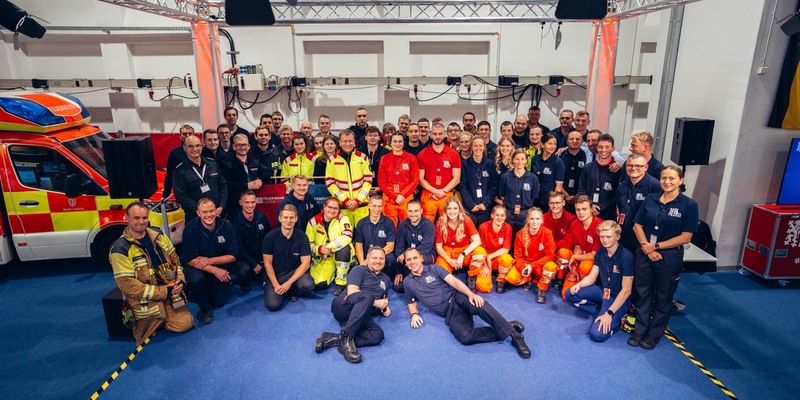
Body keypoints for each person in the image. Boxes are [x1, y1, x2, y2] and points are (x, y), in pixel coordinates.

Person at [402, 247, 531, 359]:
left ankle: (516, 336)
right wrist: (414, 314)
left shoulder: (434, 269)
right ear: (406, 263)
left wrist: (470, 294)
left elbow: (454, 282)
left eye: (415, 258)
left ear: (421, 258)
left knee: (480, 305)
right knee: (465, 337)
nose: (412, 262)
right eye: (409, 260)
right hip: (450, 313)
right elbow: (411, 302)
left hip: (457, 296)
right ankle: (508, 326)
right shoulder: (408, 282)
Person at [629, 166, 698, 350]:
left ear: (681, 181)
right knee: (643, 293)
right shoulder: (651, 199)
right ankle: (640, 329)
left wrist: (657, 246)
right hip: (645, 252)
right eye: (664, 178)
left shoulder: (689, 205)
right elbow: (637, 225)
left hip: (669, 256)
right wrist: (647, 247)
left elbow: (686, 237)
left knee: (663, 296)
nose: (667, 182)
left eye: (672, 178)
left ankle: (654, 334)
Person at [109, 202, 193, 345]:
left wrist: (180, 281)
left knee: (186, 324)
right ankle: (157, 321)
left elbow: (176, 261)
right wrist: (163, 292)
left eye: (144, 217)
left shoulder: (159, 236)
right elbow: (128, 286)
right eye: (136, 218)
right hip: (147, 305)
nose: (141, 222)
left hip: (172, 297)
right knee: (143, 340)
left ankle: (166, 318)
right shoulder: (120, 249)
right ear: (127, 218)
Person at [315, 246, 392, 363]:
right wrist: (376, 302)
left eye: (381, 258)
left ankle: (334, 339)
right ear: (368, 259)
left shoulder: (386, 279)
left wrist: (385, 308)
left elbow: (384, 299)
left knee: (378, 335)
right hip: (344, 306)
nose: (378, 261)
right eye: (374, 258)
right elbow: (352, 292)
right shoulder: (359, 269)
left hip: (361, 315)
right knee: (368, 296)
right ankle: (347, 340)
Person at [566, 220, 634, 342]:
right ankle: (600, 311)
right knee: (570, 293)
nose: (604, 240)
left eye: (608, 236)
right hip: (603, 291)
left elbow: (626, 290)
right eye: (602, 237)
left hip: (618, 297)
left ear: (617, 236)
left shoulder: (627, 257)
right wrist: (579, 284)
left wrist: (609, 313)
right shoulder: (601, 252)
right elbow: (592, 277)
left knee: (597, 334)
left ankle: (615, 318)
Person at [181, 198, 239, 324]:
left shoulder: (226, 226)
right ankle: (205, 310)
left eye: (211, 211)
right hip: (197, 267)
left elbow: (233, 256)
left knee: (219, 302)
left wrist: (210, 261)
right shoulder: (190, 228)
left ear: (216, 211)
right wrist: (214, 270)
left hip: (216, 264)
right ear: (198, 213)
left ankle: (197, 292)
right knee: (197, 280)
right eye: (205, 212)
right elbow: (189, 259)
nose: (209, 215)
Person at [263, 204, 315, 311]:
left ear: (296, 219)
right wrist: (276, 285)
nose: (288, 220)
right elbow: (267, 263)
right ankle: (285, 291)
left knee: (308, 285)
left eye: (291, 217)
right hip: (276, 275)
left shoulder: (302, 237)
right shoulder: (270, 237)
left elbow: (305, 264)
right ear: (280, 218)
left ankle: (292, 289)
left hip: (294, 272)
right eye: (285, 217)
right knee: (273, 305)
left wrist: (288, 283)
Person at [434, 197, 489, 293]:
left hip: (464, 252)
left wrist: (462, 255)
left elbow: (477, 241)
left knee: (480, 252)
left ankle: (471, 276)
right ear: (445, 210)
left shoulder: (466, 220)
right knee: (439, 280)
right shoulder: (440, 222)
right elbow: (439, 248)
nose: (452, 211)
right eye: (449, 208)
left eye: (455, 208)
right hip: (447, 253)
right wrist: (448, 260)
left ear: (459, 209)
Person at [173, 135, 228, 221]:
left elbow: (223, 185)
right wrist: (202, 210)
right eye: (190, 146)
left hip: (217, 213)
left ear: (202, 146)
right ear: (184, 148)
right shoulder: (180, 170)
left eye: (197, 145)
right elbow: (181, 196)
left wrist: (221, 205)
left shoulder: (212, 164)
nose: (195, 149)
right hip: (195, 216)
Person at [306, 197, 354, 295]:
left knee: (344, 249)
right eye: (329, 207)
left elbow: (347, 236)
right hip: (323, 258)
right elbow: (308, 246)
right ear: (324, 207)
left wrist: (328, 248)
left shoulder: (343, 218)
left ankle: (341, 282)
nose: (332, 210)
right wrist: (319, 250)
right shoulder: (313, 222)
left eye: (335, 208)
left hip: (340, 253)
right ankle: (333, 271)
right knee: (319, 285)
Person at [508, 208, 557, 303]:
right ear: (527, 220)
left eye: (537, 219)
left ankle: (541, 288)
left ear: (542, 220)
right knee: (512, 278)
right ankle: (529, 279)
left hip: (540, 265)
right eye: (532, 219)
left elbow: (550, 255)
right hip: (526, 265)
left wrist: (532, 266)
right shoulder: (520, 234)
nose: (535, 222)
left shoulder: (547, 233)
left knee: (551, 267)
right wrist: (522, 268)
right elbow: (518, 255)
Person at [325, 129, 372, 227]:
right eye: (345, 141)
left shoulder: (362, 157)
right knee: (345, 237)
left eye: (350, 141)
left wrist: (357, 201)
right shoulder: (332, 160)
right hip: (343, 207)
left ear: (354, 142)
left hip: (362, 206)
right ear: (340, 143)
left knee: (364, 237)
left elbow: (368, 181)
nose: (348, 144)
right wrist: (346, 201)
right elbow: (330, 184)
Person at [616, 153, 661, 252]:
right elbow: (621, 209)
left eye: (638, 166)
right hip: (624, 238)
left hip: (644, 240)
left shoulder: (655, 186)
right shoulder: (622, 186)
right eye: (630, 165)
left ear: (646, 167)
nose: (633, 168)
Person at [562, 195, 604, 300]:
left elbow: (594, 255)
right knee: (565, 295)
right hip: (582, 257)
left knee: (586, 266)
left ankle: (587, 286)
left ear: (591, 209)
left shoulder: (600, 226)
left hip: (596, 262)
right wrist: (574, 267)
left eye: (584, 209)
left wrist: (576, 257)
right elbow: (577, 245)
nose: (581, 213)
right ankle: (572, 277)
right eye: (578, 210)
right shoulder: (575, 224)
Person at [417, 122, 462, 222]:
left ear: (445, 134)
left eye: (440, 134)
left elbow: (457, 178)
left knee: (450, 223)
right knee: (426, 224)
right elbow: (420, 179)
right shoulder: (422, 154)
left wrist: (443, 191)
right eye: (435, 134)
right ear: (430, 134)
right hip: (428, 194)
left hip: (447, 194)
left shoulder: (453, 153)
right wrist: (435, 191)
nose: (437, 136)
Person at [231, 190, 271, 293]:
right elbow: (238, 248)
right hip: (244, 260)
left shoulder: (261, 217)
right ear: (241, 203)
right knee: (244, 270)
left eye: (253, 202)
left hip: (262, 258)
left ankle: (259, 274)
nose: (250, 205)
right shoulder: (235, 223)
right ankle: (245, 282)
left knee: (269, 278)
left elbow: (269, 239)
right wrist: (253, 264)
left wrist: (265, 259)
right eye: (247, 202)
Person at [392, 200, 436, 293]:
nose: (413, 214)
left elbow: (425, 248)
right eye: (410, 211)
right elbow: (399, 247)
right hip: (407, 260)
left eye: (416, 211)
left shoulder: (428, 225)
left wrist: (406, 255)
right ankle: (414, 283)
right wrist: (398, 271)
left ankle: (423, 282)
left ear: (421, 211)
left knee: (418, 259)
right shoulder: (403, 225)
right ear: (407, 211)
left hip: (426, 256)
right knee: (398, 287)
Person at [220, 133, 268, 217]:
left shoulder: (254, 161)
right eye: (239, 145)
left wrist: (260, 179)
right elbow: (227, 184)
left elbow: (268, 171)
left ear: (249, 146)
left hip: (252, 204)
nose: (242, 148)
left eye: (244, 145)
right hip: (235, 205)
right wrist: (246, 185)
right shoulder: (226, 164)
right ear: (234, 147)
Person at [378, 132, 419, 227]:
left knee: (409, 225)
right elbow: (382, 181)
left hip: (406, 197)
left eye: (400, 141)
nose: (397, 144)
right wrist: (394, 196)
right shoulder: (385, 159)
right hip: (389, 198)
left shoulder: (411, 158)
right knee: (390, 226)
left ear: (404, 143)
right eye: (395, 141)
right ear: (390, 143)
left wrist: (402, 195)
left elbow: (415, 180)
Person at [578, 133, 621, 221]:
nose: (603, 150)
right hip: (588, 213)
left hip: (608, 214)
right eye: (600, 147)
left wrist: (600, 207)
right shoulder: (588, 167)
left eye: (607, 147)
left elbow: (617, 194)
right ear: (597, 148)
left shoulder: (617, 170)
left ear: (613, 148)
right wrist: (590, 206)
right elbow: (581, 189)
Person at [497, 148, 539, 238]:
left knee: (524, 238)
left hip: (525, 212)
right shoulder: (505, 177)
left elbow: (534, 196)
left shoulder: (532, 178)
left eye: (522, 159)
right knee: (508, 237)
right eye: (517, 159)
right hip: (509, 213)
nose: (519, 162)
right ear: (512, 160)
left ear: (526, 161)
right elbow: (502, 195)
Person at [459, 135, 498, 226]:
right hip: (469, 208)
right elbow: (462, 186)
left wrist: (485, 203)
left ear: (484, 147)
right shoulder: (465, 164)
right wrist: (471, 204)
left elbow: (493, 186)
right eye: (475, 145)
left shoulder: (490, 164)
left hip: (485, 208)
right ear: (471, 147)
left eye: (480, 146)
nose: (478, 148)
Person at [542, 191, 577, 290]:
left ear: (563, 203)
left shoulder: (571, 219)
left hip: (559, 250)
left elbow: (568, 243)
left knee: (564, 252)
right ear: (548, 204)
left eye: (557, 203)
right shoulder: (543, 218)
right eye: (552, 203)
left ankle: (559, 278)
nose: (554, 206)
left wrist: (550, 245)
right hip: (547, 251)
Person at [478, 205, 514, 293]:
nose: (499, 218)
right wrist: (486, 263)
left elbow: (505, 249)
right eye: (497, 215)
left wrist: (490, 257)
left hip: (498, 259)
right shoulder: (483, 227)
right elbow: (481, 249)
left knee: (507, 259)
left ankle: (501, 281)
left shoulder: (508, 228)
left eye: (502, 215)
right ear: (492, 215)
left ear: (505, 217)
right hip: (485, 259)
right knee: (483, 288)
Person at [354, 195, 396, 267]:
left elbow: (390, 246)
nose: (377, 209)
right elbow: (358, 246)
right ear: (369, 206)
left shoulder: (389, 223)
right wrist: (362, 262)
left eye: (379, 206)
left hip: (382, 257)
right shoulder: (361, 223)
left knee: (390, 258)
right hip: (366, 257)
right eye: (374, 206)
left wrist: (376, 258)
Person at [530, 133, 565, 212]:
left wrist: (553, 203)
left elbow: (558, 186)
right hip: (534, 198)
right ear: (542, 145)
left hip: (548, 200)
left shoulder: (558, 162)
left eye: (555, 144)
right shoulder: (535, 159)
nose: (553, 146)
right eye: (550, 144)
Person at [163, 124, 195, 198]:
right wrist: (166, 194)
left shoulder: (201, 151)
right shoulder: (175, 153)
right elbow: (170, 174)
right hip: (182, 189)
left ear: (194, 135)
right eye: (184, 134)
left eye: (190, 133)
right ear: (180, 136)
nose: (187, 135)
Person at [560, 130, 586, 213]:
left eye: (578, 139)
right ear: (567, 142)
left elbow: (587, 179)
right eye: (571, 139)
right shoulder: (560, 156)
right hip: (562, 196)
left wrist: (576, 196)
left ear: (582, 141)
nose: (574, 141)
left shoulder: (587, 156)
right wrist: (566, 195)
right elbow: (556, 178)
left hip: (580, 197)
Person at [359, 126, 390, 195]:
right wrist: (365, 189)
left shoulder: (386, 153)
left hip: (382, 190)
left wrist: (381, 188)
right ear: (365, 137)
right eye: (370, 135)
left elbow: (389, 174)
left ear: (379, 137)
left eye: (375, 135)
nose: (372, 137)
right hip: (361, 191)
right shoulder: (358, 153)